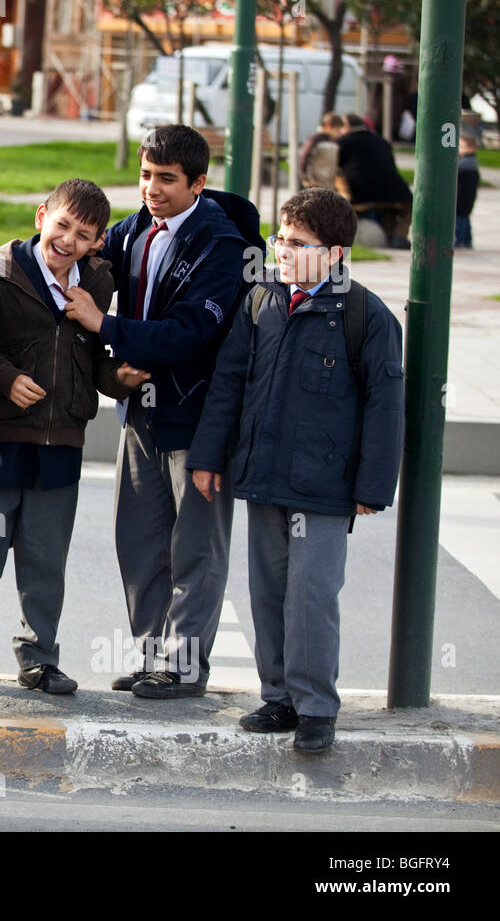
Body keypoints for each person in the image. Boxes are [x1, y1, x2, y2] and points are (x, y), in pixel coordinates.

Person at [187, 188, 405, 753]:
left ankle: (316, 708)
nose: (282, 251)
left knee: (311, 596)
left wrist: (372, 488)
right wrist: (210, 457)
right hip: (263, 478)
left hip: (325, 489)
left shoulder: (366, 316)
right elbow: (230, 384)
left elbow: (385, 408)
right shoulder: (261, 301)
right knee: (268, 591)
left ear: (333, 254)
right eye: (281, 240)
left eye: (298, 243)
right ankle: (278, 696)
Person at [0, 180, 149, 697]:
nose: (67, 240)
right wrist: (2, 378)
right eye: (62, 224)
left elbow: (95, 365)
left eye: (83, 234)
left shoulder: (100, 284)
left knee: (45, 562)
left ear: (95, 242)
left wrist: (120, 381)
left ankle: (40, 659)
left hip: (61, 446)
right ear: (42, 214)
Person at [66, 124, 257, 699]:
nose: (152, 188)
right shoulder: (135, 231)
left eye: (167, 179)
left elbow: (190, 333)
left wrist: (105, 327)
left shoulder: (222, 246)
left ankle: (184, 667)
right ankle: (154, 657)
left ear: (198, 183)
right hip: (141, 415)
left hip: (197, 418)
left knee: (195, 549)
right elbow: (84, 245)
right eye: (146, 175)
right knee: (141, 542)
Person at [335, 112, 413, 248]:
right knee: (401, 208)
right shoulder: (381, 141)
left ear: (346, 127)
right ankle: (397, 237)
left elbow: (336, 168)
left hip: (360, 192)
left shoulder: (342, 142)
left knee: (385, 208)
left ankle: (390, 237)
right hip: (393, 190)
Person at [298, 111, 345, 189]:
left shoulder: (331, 140)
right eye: (338, 129)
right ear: (328, 126)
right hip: (315, 183)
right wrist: (305, 177)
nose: (340, 133)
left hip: (327, 183)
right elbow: (304, 157)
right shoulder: (316, 139)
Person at [457, 132, 480, 249]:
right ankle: (467, 240)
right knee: (464, 218)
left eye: (461, 146)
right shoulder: (471, 161)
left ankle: (460, 240)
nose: (458, 149)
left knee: (460, 218)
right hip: (467, 197)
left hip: (463, 197)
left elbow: (455, 168)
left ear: (470, 148)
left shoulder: (466, 162)